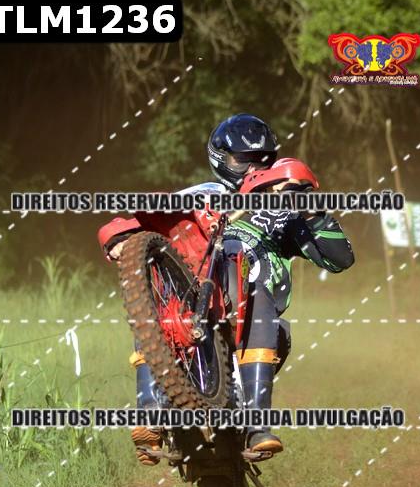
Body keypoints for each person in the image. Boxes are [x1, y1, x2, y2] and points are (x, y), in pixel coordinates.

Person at [99, 113, 354, 463]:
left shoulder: (281, 213)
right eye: (242, 160)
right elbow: (148, 217)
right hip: (196, 305)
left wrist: (311, 211)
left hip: (256, 322)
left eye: (261, 160)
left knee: (256, 288)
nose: (251, 169)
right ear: (221, 159)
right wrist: (119, 235)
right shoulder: (204, 195)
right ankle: (149, 410)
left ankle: (257, 425)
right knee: (159, 295)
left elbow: (340, 259)